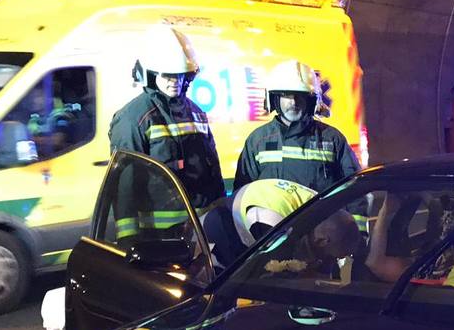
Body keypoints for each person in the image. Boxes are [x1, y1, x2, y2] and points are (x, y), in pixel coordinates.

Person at [235, 59, 365, 232]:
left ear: (312, 101)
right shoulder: (258, 141)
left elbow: (355, 191)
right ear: (274, 99)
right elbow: (242, 195)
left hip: (322, 240)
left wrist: (358, 237)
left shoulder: (332, 139)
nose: (293, 102)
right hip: (272, 238)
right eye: (286, 95)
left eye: (300, 96)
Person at [109, 25, 224, 210]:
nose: (175, 81)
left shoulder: (196, 113)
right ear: (151, 74)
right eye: (168, 75)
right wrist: (130, 238)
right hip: (159, 233)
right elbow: (126, 188)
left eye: (180, 75)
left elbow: (214, 171)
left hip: (201, 226)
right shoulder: (133, 118)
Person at [202, 178, 316, 268]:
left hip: (250, 209)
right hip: (219, 233)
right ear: (323, 240)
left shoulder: (324, 206)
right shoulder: (274, 225)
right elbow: (274, 270)